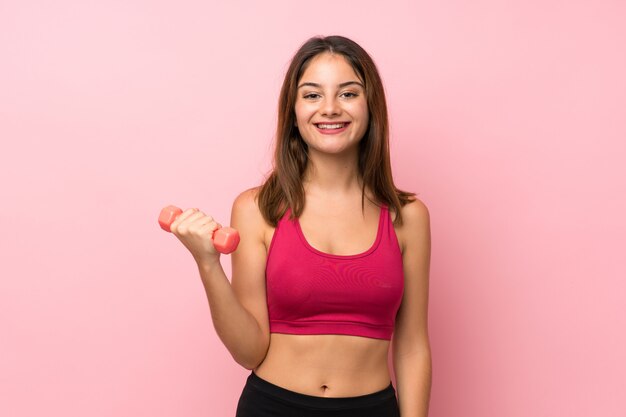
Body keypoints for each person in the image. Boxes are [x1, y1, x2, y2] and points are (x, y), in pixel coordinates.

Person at [169, 35, 432, 417]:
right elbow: (249, 351)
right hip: (272, 406)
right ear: (293, 111)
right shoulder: (257, 208)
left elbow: (412, 347)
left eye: (347, 94)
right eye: (311, 95)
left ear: (370, 106)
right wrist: (207, 263)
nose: (329, 109)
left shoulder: (408, 217)